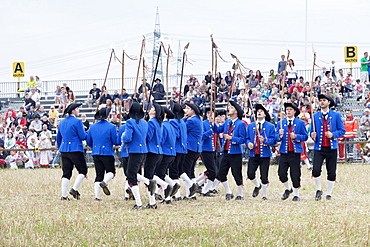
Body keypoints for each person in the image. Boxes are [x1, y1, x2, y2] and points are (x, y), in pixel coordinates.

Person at [121, 102, 156, 210]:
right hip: (143, 150)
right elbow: (148, 137)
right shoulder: (145, 123)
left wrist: (123, 136)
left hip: (134, 150)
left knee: (131, 176)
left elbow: (128, 138)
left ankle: (139, 203)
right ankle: (148, 182)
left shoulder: (129, 122)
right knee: (133, 173)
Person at [310, 94, 345, 200]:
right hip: (319, 147)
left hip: (331, 147)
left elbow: (342, 130)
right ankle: (318, 189)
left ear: (329, 102)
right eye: (320, 100)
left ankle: (329, 193)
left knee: (331, 171)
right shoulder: (315, 116)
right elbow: (312, 131)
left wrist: (333, 134)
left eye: (324, 100)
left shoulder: (336, 115)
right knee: (316, 169)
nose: (322, 102)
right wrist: (312, 134)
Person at [214, 100, 247, 200]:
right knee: (221, 173)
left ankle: (240, 194)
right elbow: (218, 130)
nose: (229, 109)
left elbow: (242, 139)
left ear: (236, 111)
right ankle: (228, 191)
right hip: (226, 151)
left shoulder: (241, 124)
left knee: (236, 173)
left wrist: (231, 138)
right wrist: (213, 123)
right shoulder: (227, 122)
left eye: (231, 108)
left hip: (236, 152)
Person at [56, 103, 88, 200]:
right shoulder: (78, 122)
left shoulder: (62, 122)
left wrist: (61, 146)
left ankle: (63, 195)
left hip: (64, 149)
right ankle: (74, 188)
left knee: (66, 173)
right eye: (77, 109)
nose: (78, 111)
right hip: (75, 149)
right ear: (73, 111)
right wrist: (88, 132)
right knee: (83, 171)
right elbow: (83, 136)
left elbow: (58, 138)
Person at [277, 103, 308, 201]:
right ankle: (288, 188)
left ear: (294, 111)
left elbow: (305, 136)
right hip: (284, 151)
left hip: (295, 152)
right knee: (281, 173)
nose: (288, 111)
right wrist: (279, 135)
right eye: (287, 109)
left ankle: (296, 194)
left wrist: (297, 137)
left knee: (295, 173)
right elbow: (276, 138)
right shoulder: (281, 123)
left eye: (290, 109)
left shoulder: (300, 123)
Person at [86, 108, 119, 201]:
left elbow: (88, 141)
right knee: (111, 172)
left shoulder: (92, 126)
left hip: (96, 152)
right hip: (107, 152)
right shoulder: (112, 127)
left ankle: (97, 196)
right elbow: (115, 141)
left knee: (99, 174)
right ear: (107, 116)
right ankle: (104, 182)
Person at [246, 104, 277, 200]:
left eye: (261, 111)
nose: (259, 112)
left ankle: (264, 195)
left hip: (265, 154)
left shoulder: (270, 126)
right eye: (257, 111)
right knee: (250, 174)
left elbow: (274, 141)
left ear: (265, 114)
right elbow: (247, 138)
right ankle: (257, 185)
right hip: (253, 153)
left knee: (264, 175)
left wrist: (265, 141)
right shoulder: (251, 126)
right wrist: (248, 143)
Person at [179, 103, 203, 200]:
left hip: (190, 148)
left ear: (193, 111)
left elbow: (182, 127)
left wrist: (183, 118)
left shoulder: (192, 121)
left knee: (185, 170)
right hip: (196, 148)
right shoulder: (198, 120)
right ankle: (191, 194)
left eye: (188, 109)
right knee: (191, 171)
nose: (186, 111)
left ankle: (192, 186)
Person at [168, 101, 187, 201]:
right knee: (179, 170)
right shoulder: (182, 121)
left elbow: (175, 135)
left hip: (176, 148)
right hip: (183, 149)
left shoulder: (173, 122)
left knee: (173, 171)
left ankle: (177, 194)